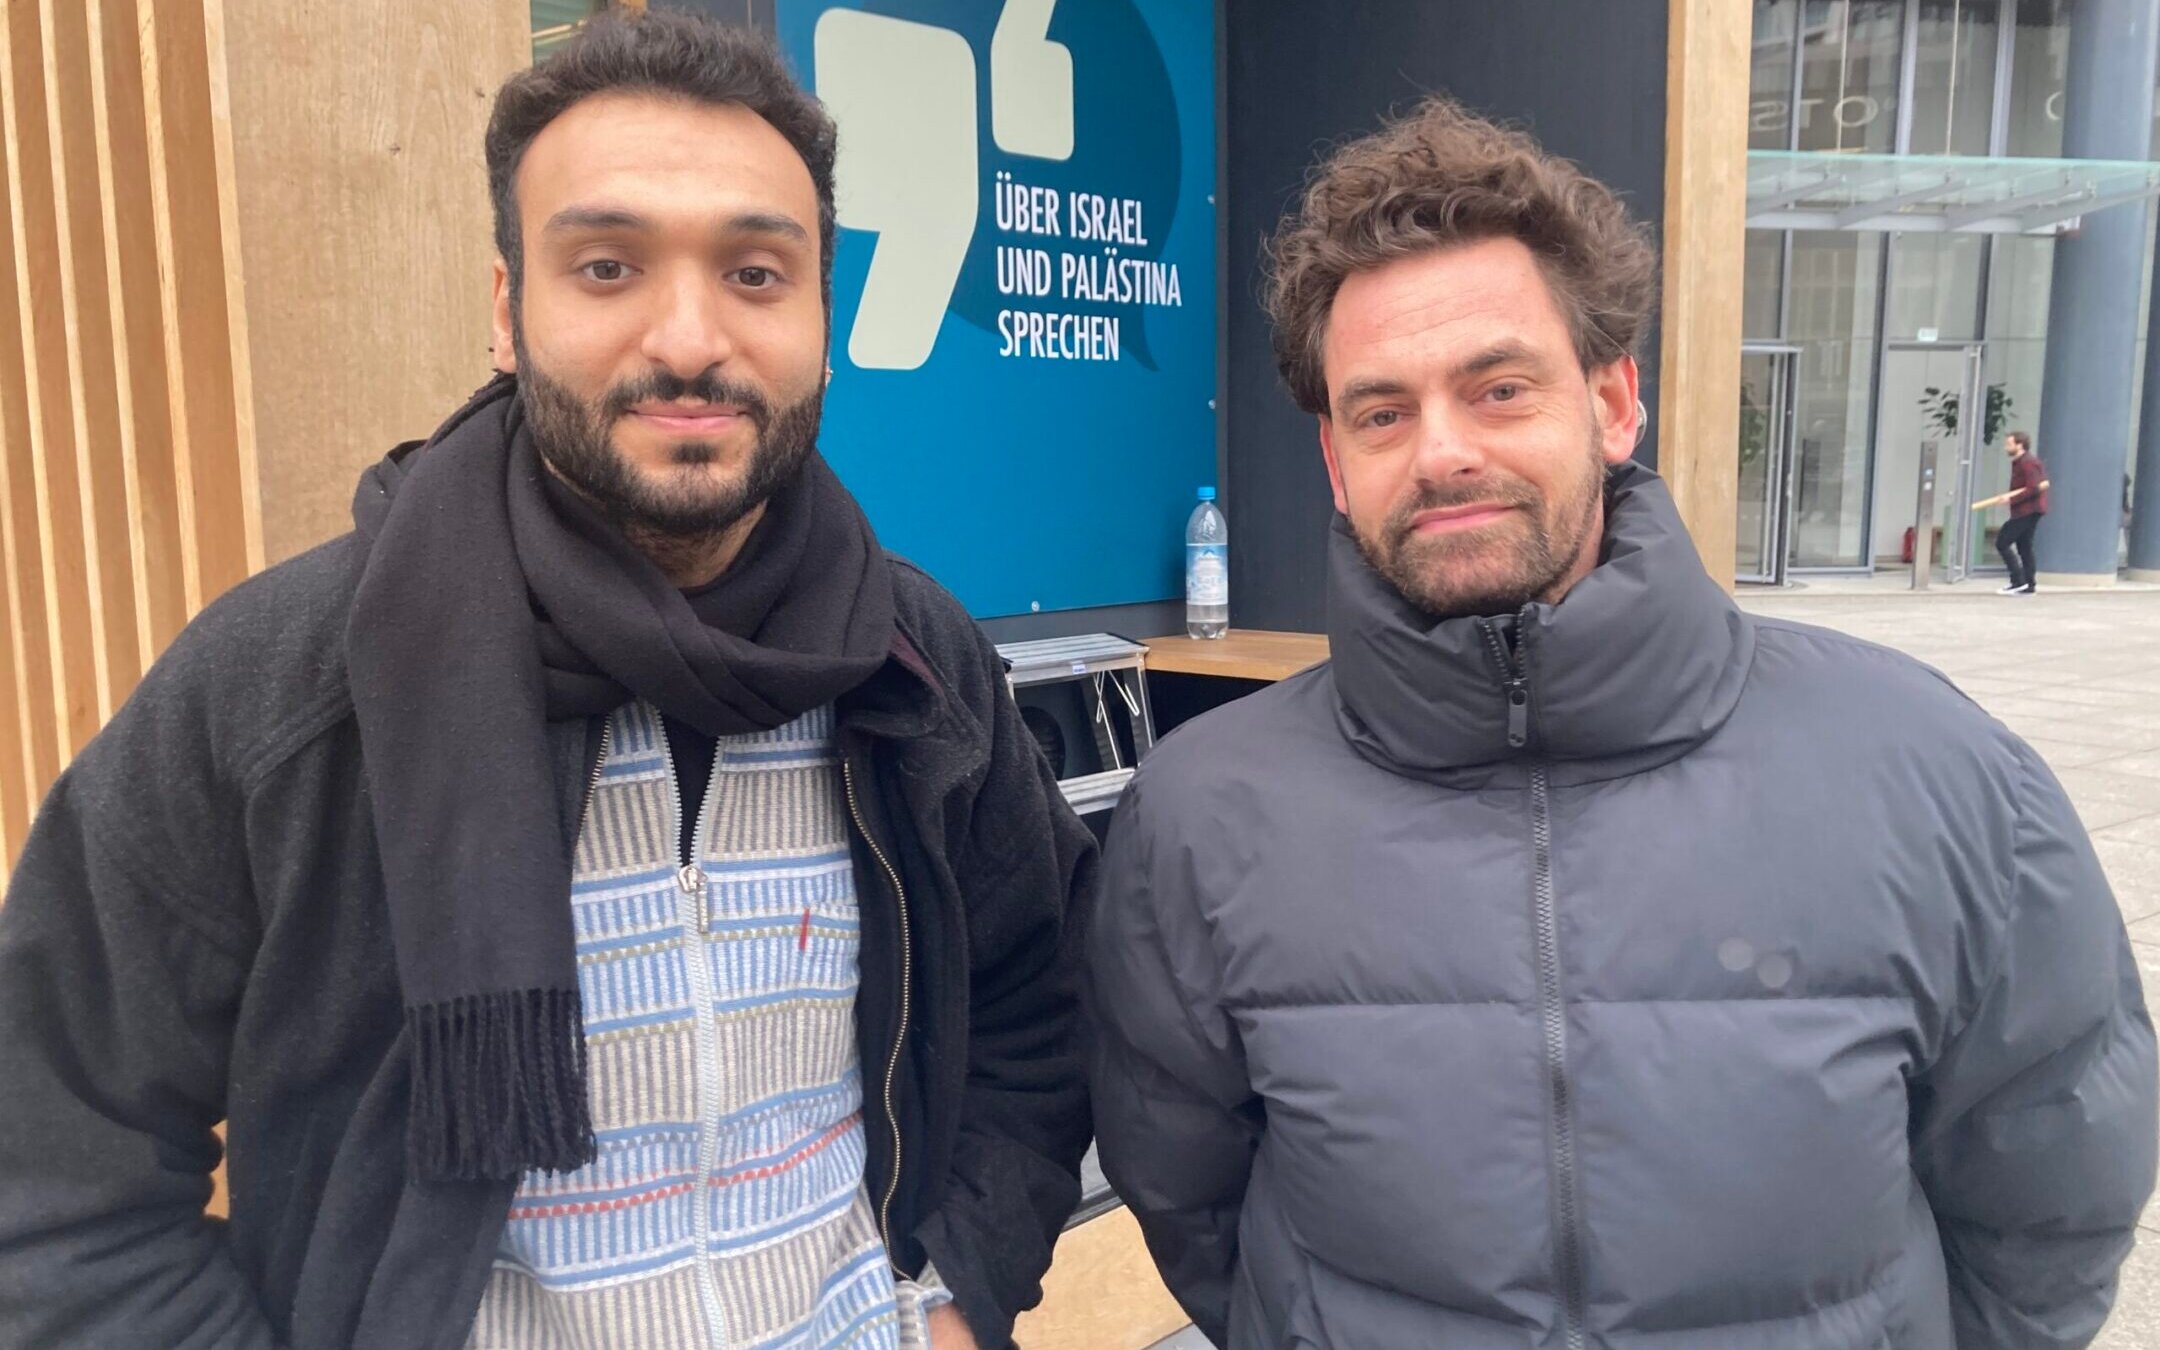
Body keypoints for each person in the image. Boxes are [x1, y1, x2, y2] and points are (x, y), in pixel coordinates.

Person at [0, 13, 1094, 1349]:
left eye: (757, 273)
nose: (688, 337)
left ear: (823, 314)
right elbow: (54, 1167)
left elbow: (1040, 1009)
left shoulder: (912, 663)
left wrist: (961, 1299)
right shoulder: (282, 690)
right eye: (608, 265)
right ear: (511, 311)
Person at [1087, 97, 2155, 1350]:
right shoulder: (1203, 813)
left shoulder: (1936, 771)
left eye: (1497, 388)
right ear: (1335, 459)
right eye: (1382, 412)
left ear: (1612, 403)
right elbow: (1190, 1200)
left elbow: (2049, 1188)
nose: (1440, 452)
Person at [1996, 430, 2049, 594]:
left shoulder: (2028, 463)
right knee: (2024, 546)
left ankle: (2018, 581)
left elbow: (2033, 488)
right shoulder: (2023, 462)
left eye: (2009, 444)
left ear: (2020, 445)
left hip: (2028, 510)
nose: (2006, 447)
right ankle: (2028, 584)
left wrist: (2011, 499)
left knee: (2002, 542)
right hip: (2029, 510)